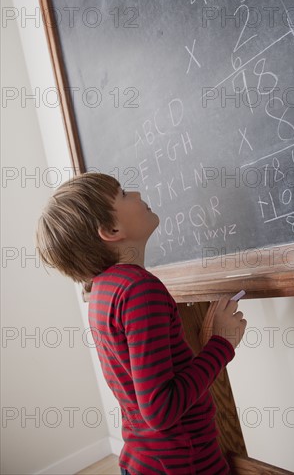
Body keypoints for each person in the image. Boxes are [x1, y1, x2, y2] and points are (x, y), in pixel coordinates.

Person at [36, 172, 247, 475]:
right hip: (184, 465)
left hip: (146, 459)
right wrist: (221, 345)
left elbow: (148, 385)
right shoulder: (139, 290)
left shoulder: (102, 290)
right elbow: (160, 411)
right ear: (111, 229)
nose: (135, 193)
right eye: (122, 194)